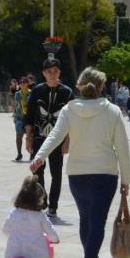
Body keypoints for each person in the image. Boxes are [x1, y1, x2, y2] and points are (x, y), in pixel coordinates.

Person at [30, 67, 130, 258]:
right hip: (105, 174)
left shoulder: (69, 109)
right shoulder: (112, 111)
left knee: (86, 219)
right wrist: (126, 180)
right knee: (97, 222)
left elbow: (55, 136)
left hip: (77, 174)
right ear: (101, 87)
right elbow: (123, 149)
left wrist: (39, 157)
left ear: (79, 86)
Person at [25, 57, 73, 218]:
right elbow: (30, 116)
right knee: (38, 171)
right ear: (44, 73)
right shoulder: (37, 91)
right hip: (39, 138)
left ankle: (53, 206)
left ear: (59, 72)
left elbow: (71, 120)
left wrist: (67, 141)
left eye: (55, 71)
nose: (52, 74)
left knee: (56, 173)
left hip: (58, 141)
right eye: (49, 72)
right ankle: (42, 200)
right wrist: (28, 138)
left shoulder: (67, 93)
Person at [12, 77, 31, 161]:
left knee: (30, 137)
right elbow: (16, 105)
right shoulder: (17, 94)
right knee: (18, 136)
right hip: (19, 117)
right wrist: (14, 116)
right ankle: (19, 154)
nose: (23, 84)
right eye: (21, 82)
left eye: (24, 82)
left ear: (27, 83)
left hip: (29, 118)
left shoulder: (31, 93)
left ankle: (32, 153)